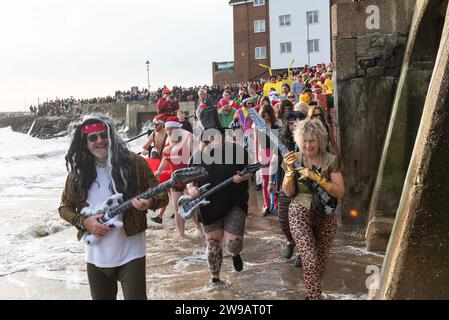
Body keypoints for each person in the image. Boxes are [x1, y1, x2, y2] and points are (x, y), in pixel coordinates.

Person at [59, 114, 169, 300]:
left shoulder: (134, 162)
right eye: (93, 137)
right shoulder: (78, 173)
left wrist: (149, 203)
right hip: (95, 256)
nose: (100, 141)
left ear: (111, 135)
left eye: (104, 135)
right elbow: (64, 207)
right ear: (84, 142)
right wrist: (85, 222)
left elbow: (162, 194)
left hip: (131, 251)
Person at [187, 107, 252, 284]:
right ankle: (215, 279)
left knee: (233, 243)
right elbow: (189, 180)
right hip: (209, 204)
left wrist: (243, 177)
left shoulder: (237, 150)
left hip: (234, 202)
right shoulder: (198, 155)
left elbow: (249, 172)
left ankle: (235, 254)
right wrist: (191, 188)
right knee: (213, 244)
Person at [282, 119, 344, 300]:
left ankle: (311, 294)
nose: (307, 145)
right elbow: (288, 192)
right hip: (299, 211)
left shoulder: (331, 160)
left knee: (321, 262)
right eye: (304, 141)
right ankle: (315, 297)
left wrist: (317, 178)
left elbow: (339, 191)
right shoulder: (293, 159)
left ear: (320, 141)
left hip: (326, 213)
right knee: (310, 259)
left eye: (312, 141)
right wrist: (288, 172)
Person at [154, 116, 202, 238]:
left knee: (189, 207)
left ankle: (198, 228)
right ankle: (182, 235)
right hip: (175, 179)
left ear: (178, 127)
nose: (169, 131)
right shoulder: (168, 140)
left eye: (172, 128)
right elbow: (165, 157)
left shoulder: (190, 138)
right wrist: (159, 171)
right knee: (177, 209)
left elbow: (198, 157)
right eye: (168, 129)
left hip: (188, 178)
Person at [141, 114, 170, 224]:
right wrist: (143, 150)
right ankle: (160, 215)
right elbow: (144, 146)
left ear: (162, 124)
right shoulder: (153, 134)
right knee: (164, 189)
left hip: (167, 162)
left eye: (157, 124)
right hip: (157, 163)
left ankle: (161, 215)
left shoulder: (168, 134)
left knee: (168, 189)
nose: (155, 126)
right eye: (154, 124)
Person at [254, 104, 279, 216]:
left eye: (268, 115)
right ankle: (266, 205)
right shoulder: (258, 126)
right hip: (263, 153)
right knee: (264, 181)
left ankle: (276, 204)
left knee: (275, 179)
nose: (266, 117)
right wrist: (255, 158)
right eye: (264, 115)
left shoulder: (276, 125)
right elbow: (256, 142)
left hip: (275, 153)